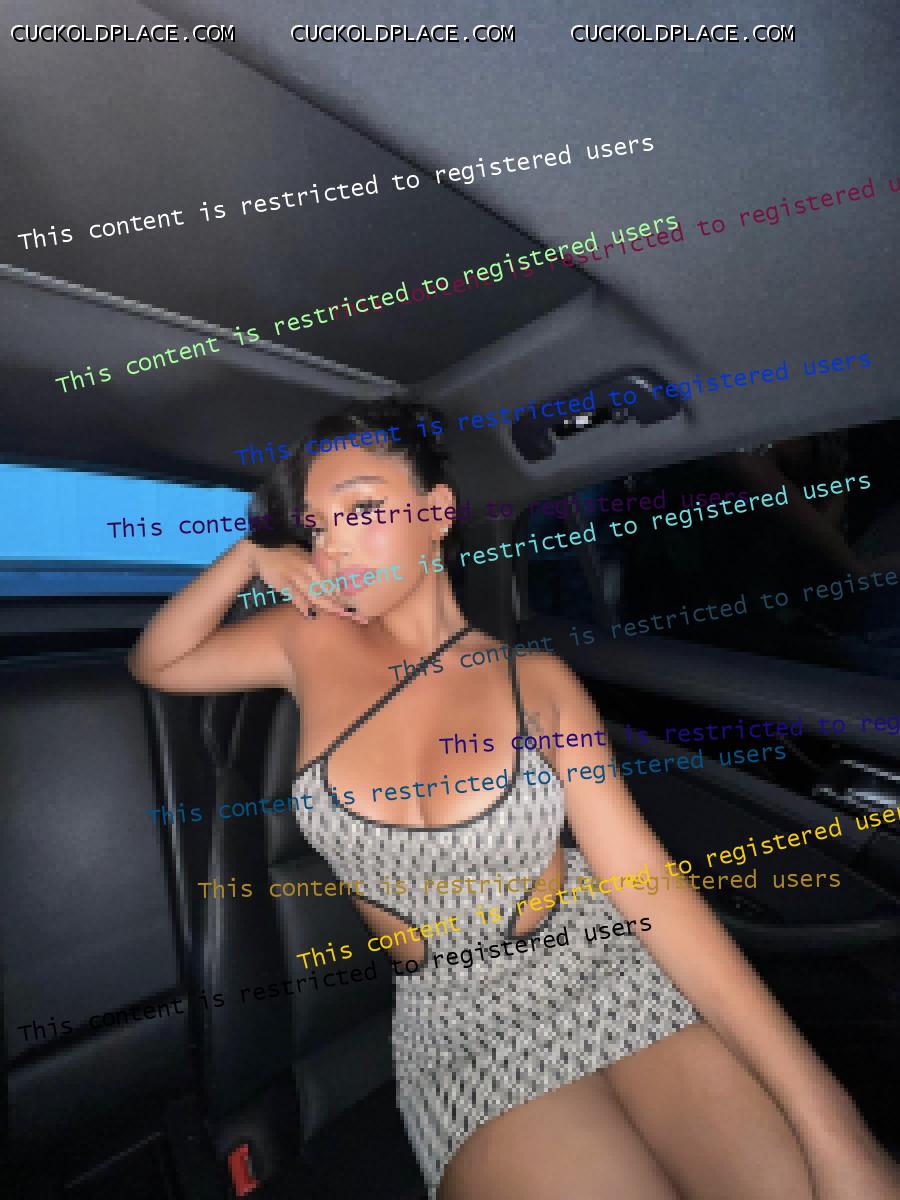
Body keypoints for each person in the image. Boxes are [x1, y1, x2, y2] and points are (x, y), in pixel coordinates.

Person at [128, 397, 899, 1200]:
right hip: (458, 1019)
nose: (333, 545)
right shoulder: (307, 639)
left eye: (360, 509)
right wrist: (250, 556)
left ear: (437, 512)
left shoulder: (537, 681)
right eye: (317, 526)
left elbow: (649, 890)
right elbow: (159, 661)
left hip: (604, 965)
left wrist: (832, 1123)